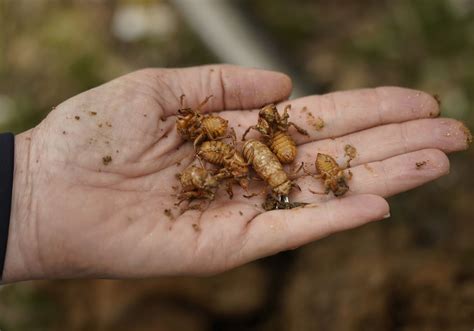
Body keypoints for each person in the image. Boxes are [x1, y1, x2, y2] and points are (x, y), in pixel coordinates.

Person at [0, 65, 470, 284]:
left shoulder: (262, 158)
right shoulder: (227, 158)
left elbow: (261, 158)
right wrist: (27, 190)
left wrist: (25, 192)